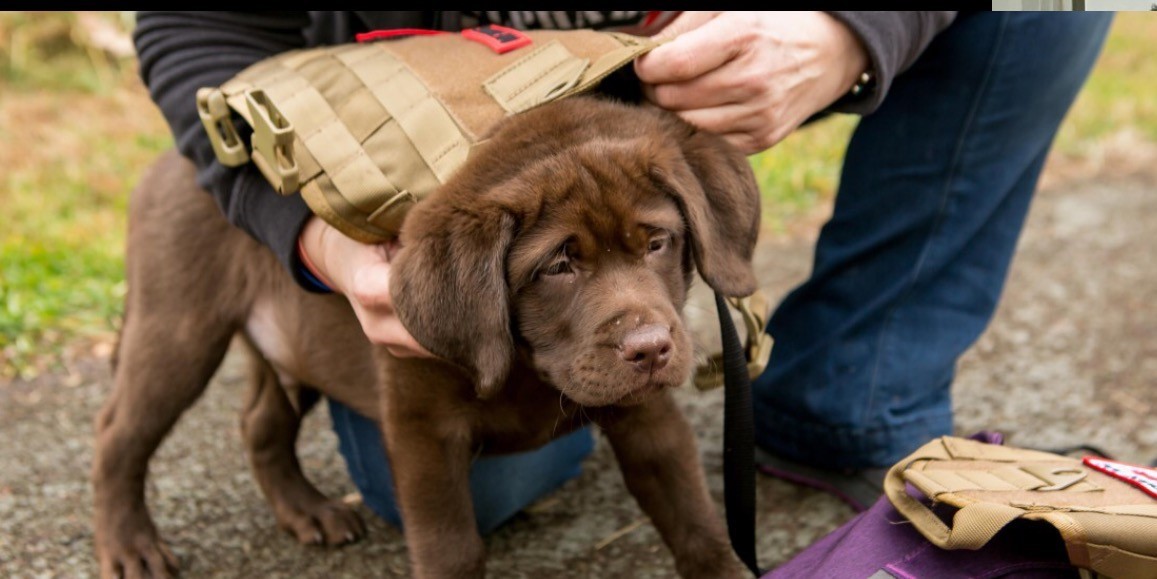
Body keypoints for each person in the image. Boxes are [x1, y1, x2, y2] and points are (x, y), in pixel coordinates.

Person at [131, 10, 1114, 531]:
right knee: (478, 481)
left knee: (1049, 6)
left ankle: (851, 401)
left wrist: (848, 29)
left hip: (649, 123)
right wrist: (313, 242)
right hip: (434, 187)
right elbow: (188, 32)